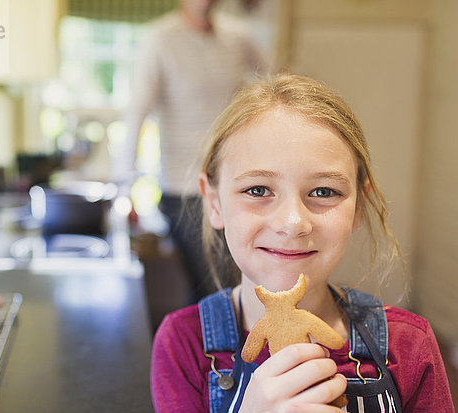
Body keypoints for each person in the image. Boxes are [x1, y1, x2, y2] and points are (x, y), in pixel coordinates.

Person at [150, 73, 455, 412]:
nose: (293, 223)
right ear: (214, 203)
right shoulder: (185, 344)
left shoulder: (409, 345)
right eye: (258, 190)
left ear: (358, 207)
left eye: (324, 192)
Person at [118, 0, 268, 302]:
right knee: (214, 288)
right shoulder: (159, 38)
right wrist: (124, 189)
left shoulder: (240, 38)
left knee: (242, 286)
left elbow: (274, 88)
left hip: (235, 184)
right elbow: (137, 114)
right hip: (183, 190)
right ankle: (208, 350)